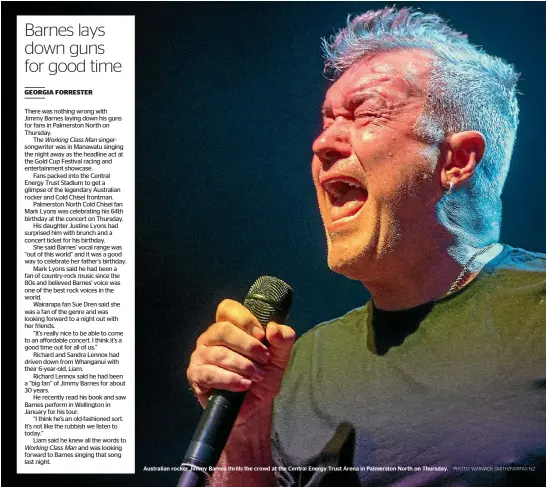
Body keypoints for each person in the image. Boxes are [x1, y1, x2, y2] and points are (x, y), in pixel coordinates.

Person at [186, 6, 545, 486]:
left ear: (457, 160)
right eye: (327, 118)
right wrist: (245, 427)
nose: (323, 143)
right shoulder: (297, 363)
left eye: (366, 113)